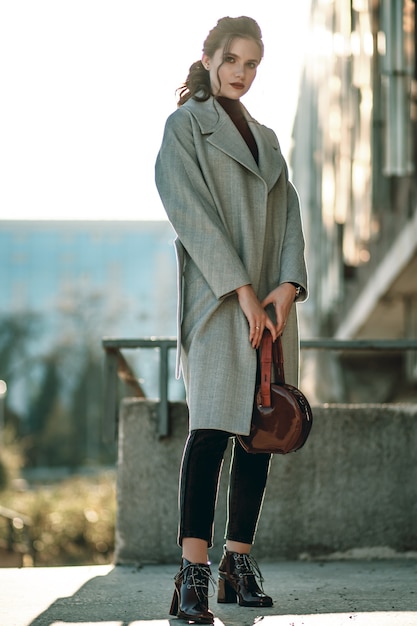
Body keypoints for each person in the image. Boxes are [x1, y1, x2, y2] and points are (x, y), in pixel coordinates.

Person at [155, 15, 308, 624]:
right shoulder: (186, 127)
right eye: (234, 60)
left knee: (260, 431)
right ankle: (192, 575)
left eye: (252, 64)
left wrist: (288, 286)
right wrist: (242, 290)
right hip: (220, 303)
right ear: (210, 57)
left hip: (269, 305)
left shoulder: (267, 138)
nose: (242, 73)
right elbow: (186, 210)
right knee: (213, 430)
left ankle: (236, 565)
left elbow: (291, 210)